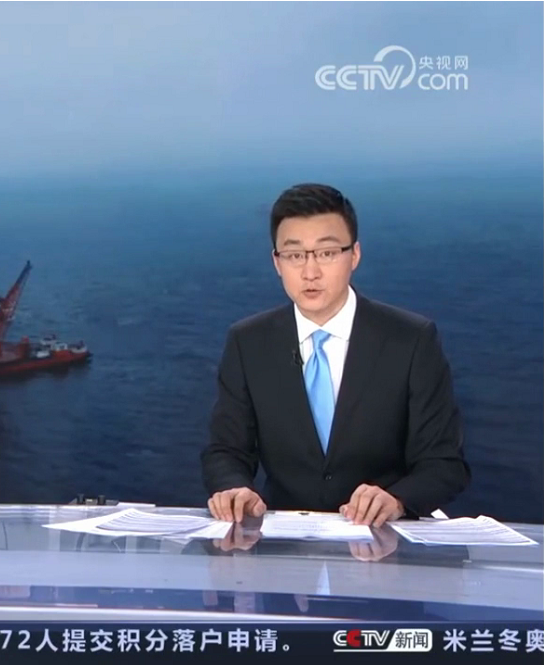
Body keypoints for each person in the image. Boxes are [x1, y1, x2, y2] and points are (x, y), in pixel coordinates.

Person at [201, 183, 469, 526]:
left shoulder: (411, 340)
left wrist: (398, 499)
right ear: (276, 262)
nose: (310, 272)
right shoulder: (248, 342)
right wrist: (234, 488)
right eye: (295, 255)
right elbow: (226, 451)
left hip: (383, 539)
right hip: (284, 541)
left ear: (354, 255)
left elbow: (445, 463)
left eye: (327, 253)